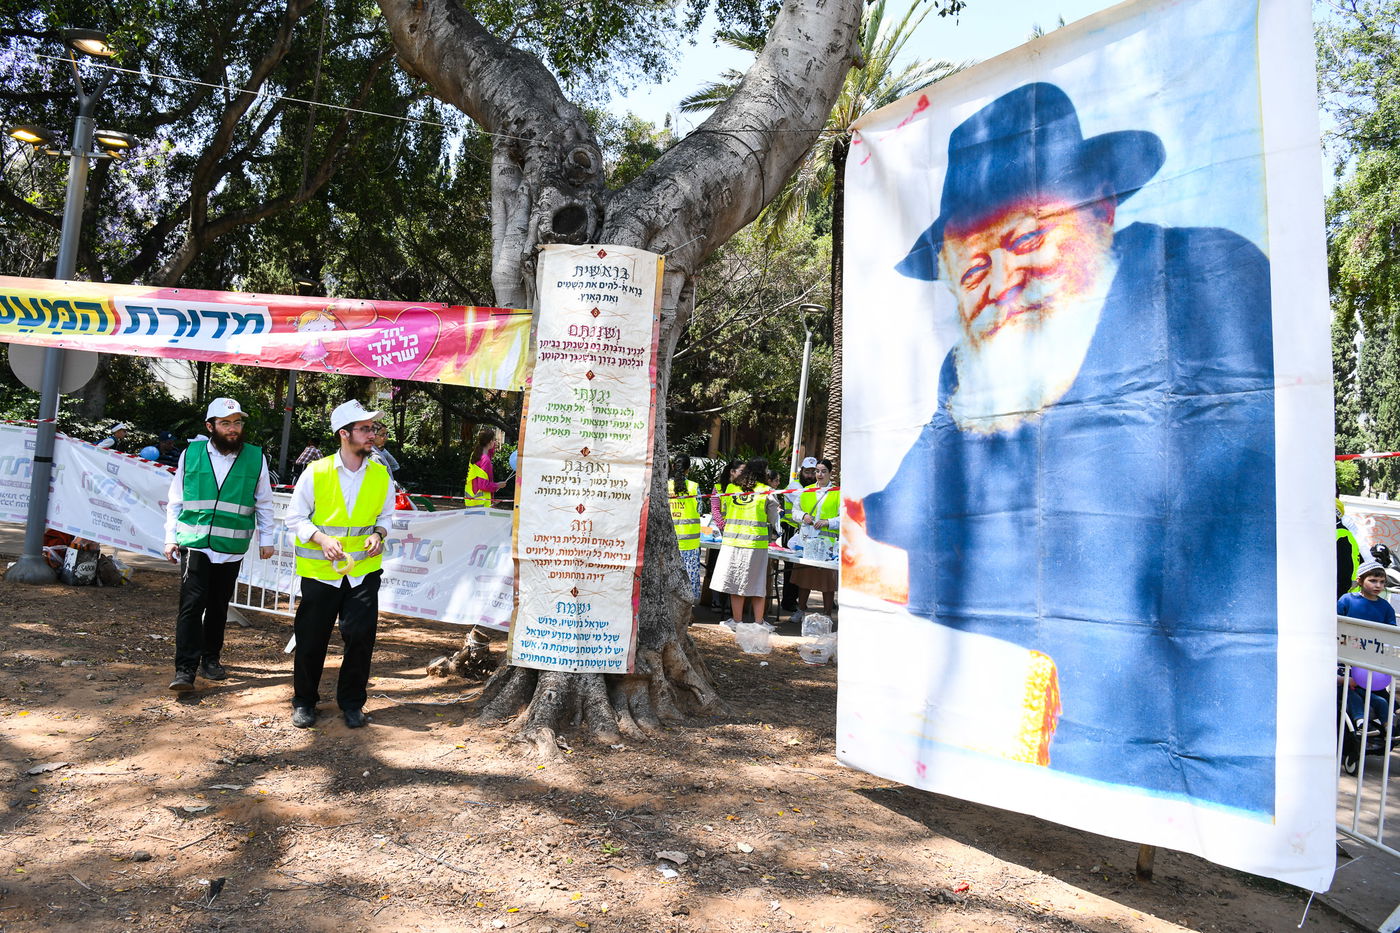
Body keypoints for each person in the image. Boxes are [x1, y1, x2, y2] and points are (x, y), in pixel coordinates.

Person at [853, 82, 1277, 814]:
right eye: (975, 270)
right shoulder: (971, 372)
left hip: (1167, 771)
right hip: (996, 753)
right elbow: (897, 522)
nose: (1003, 282)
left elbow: (1198, 564)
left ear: (1103, 212)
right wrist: (867, 543)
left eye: (1025, 240)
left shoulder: (1201, 284)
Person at [285, 400, 395, 729]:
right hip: (321, 574)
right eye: (364, 429)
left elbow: (386, 515)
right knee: (311, 639)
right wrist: (320, 538)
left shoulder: (380, 474)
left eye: (373, 428)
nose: (372, 434)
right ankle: (304, 701)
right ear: (344, 434)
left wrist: (379, 533)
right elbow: (295, 517)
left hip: (363, 574)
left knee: (361, 639)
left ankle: (352, 703)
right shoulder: (316, 472)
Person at [163, 398, 276, 691]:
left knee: (218, 607)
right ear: (210, 426)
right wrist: (170, 538)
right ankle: (185, 670)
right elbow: (176, 499)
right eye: (226, 423)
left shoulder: (256, 457)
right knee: (191, 606)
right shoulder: (191, 454)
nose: (233, 429)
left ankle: (210, 659)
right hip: (196, 543)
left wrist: (268, 539)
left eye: (238, 422)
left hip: (231, 546)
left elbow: (263, 502)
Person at [713, 459, 778, 627]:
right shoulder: (767, 491)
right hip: (755, 544)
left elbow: (725, 512)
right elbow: (773, 518)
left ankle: (736, 621)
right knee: (757, 584)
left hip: (732, 543)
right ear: (761, 473)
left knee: (736, 584)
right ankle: (758, 623)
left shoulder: (731, 488)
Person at [1338, 560, 1397, 730]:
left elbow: (1391, 633)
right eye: (1373, 580)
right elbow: (1335, 625)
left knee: (1378, 694)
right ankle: (1359, 721)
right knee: (1350, 689)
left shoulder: (1385, 607)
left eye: (1382, 582)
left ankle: (1385, 723)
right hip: (1345, 656)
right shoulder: (1347, 600)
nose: (1378, 585)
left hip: (1371, 660)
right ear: (1360, 580)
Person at [790, 458, 839, 623]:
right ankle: (800, 609)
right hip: (807, 541)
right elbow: (795, 511)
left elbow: (846, 516)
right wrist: (803, 516)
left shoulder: (839, 492)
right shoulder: (807, 490)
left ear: (831, 473)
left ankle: (827, 615)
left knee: (827, 582)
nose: (819, 474)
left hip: (827, 545)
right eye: (817, 471)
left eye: (824, 471)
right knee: (804, 578)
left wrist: (828, 522)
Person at [668, 455, 703, 603]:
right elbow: (700, 509)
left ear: (673, 467)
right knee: (689, 578)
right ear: (688, 470)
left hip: (668, 541)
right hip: (689, 543)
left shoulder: (664, 486)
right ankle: (688, 612)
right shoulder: (694, 487)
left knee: (669, 576)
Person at [464, 427, 503, 508]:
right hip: (481, 503)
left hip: (471, 500)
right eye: (494, 440)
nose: (495, 442)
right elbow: (483, 485)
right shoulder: (485, 460)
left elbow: (490, 452)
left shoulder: (475, 454)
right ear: (490, 442)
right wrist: (497, 485)